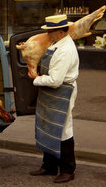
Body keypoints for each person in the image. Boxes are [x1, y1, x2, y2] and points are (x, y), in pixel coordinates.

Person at [29, 14, 79, 184]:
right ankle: (49, 166)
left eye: (51, 31)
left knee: (63, 129)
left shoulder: (65, 50)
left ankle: (68, 170)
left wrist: (35, 78)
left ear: (60, 31)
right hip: (52, 91)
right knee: (48, 126)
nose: (48, 34)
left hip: (62, 91)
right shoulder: (57, 43)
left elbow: (56, 80)